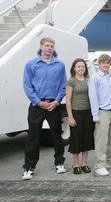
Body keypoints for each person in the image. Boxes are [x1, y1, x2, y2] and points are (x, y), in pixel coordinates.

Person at [22, 37, 67, 180]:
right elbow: (27, 86)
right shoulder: (31, 64)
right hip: (37, 105)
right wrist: (38, 102)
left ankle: (59, 162)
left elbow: (63, 85)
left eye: (52, 46)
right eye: (47, 46)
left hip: (53, 105)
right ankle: (29, 167)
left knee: (56, 135)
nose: (49, 48)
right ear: (41, 47)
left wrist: (57, 101)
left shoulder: (59, 65)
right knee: (33, 137)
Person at [88, 54, 111, 176]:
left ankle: (110, 160)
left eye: (108, 63)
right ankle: (99, 165)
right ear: (99, 64)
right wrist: (95, 115)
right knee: (101, 139)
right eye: (103, 63)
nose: (105, 65)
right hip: (102, 112)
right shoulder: (95, 78)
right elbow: (93, 97)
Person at [65, 58, 95, 175]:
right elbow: (68, 100)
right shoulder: (71, 81)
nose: (81, 68)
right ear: (74, 68)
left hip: (88, 113)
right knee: (76, 139)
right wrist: (70, 117)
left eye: (83, 66)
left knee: (86, 138)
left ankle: (84, 164)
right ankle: (76, 164)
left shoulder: (89, 80)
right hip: (76, 113)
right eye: (78, 66)